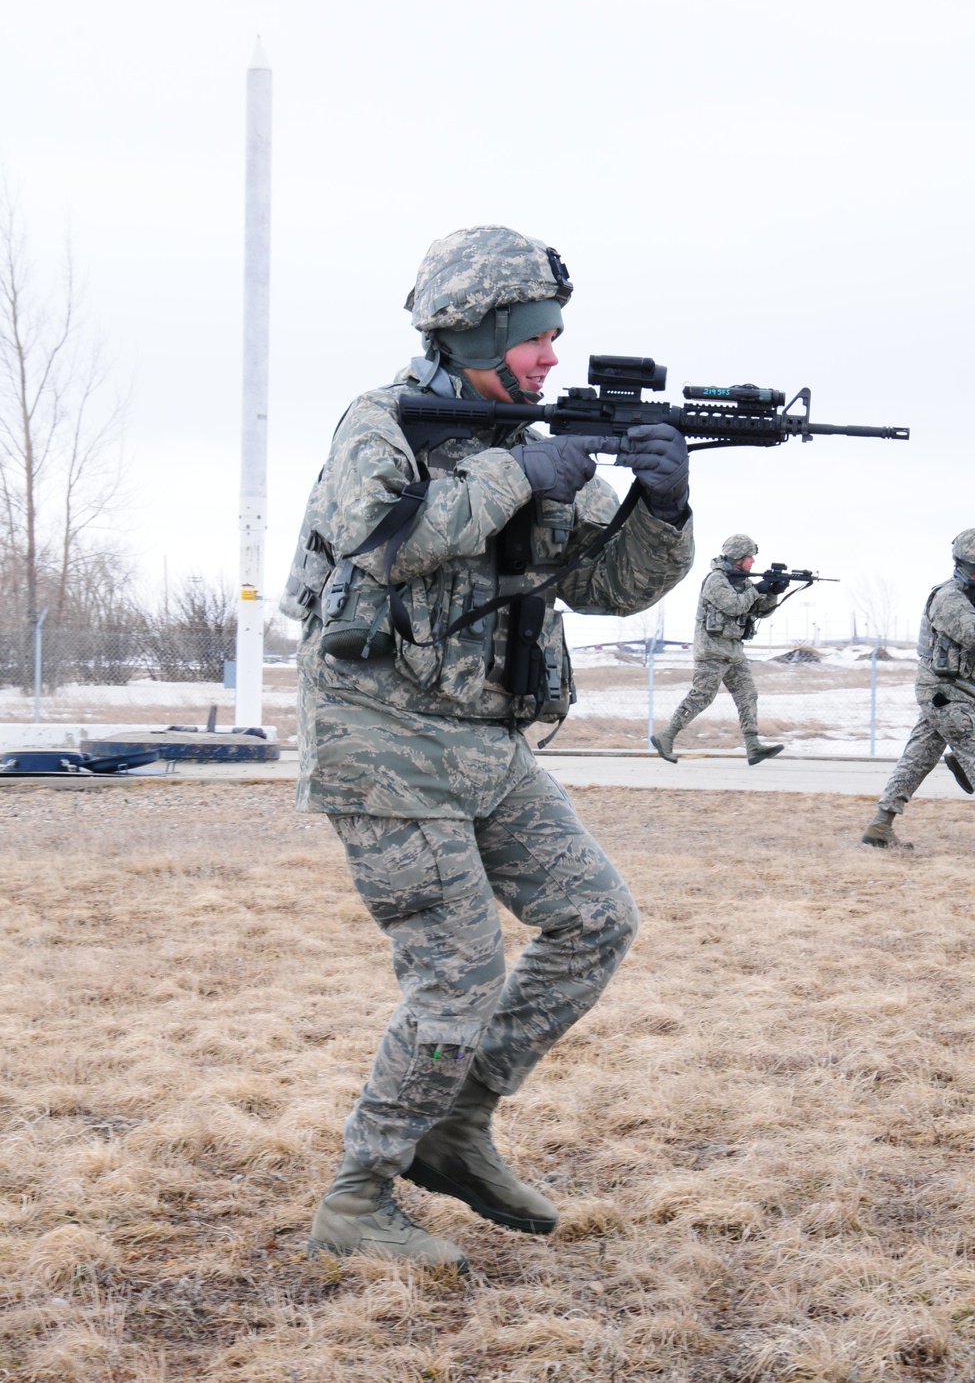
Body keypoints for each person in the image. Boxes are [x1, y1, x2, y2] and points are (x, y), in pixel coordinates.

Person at [281, 225, 695, 1270]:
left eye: (557, 335)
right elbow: (386, 540)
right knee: (456, 974)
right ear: (477, 331)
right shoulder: (381, 425)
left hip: (483, 739)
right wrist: (522, 474)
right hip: (380, 741)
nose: (553, 355)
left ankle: (455, 1129)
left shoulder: (536, 432)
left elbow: (612, 585)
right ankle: (357, 1196)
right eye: (535, 336)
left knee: (595, 917)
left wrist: (663, 502)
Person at [862, 528, 975, 851]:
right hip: (942, 694)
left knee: (918, 758)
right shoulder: (948, 598)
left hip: (961, 693)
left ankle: (880, 826)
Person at [651, 534, 786, 764]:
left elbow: (758, 611)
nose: (753, 562)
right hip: (712, 652)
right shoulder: (716, 580)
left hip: (733, 652)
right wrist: (757, 588)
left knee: (748, 695)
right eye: (749, 558)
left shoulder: (741, 581)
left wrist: (772, 593)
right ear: (737, 557)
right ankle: (666, 737)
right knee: (701, 697)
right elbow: (734, 606)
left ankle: (753, 747)